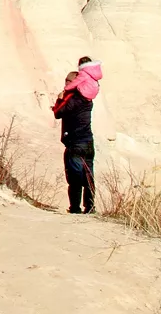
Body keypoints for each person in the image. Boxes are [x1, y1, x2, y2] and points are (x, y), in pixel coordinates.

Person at [53, 65, 97, 214]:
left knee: (75, 177)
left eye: (68, 81)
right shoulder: (87, 99)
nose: (66, 84)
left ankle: (75, 209)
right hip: (88, 142)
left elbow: (58, 113)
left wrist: (60, 100)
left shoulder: (72, 99)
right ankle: (90, 207)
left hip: (75, 143)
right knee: (88, 176)